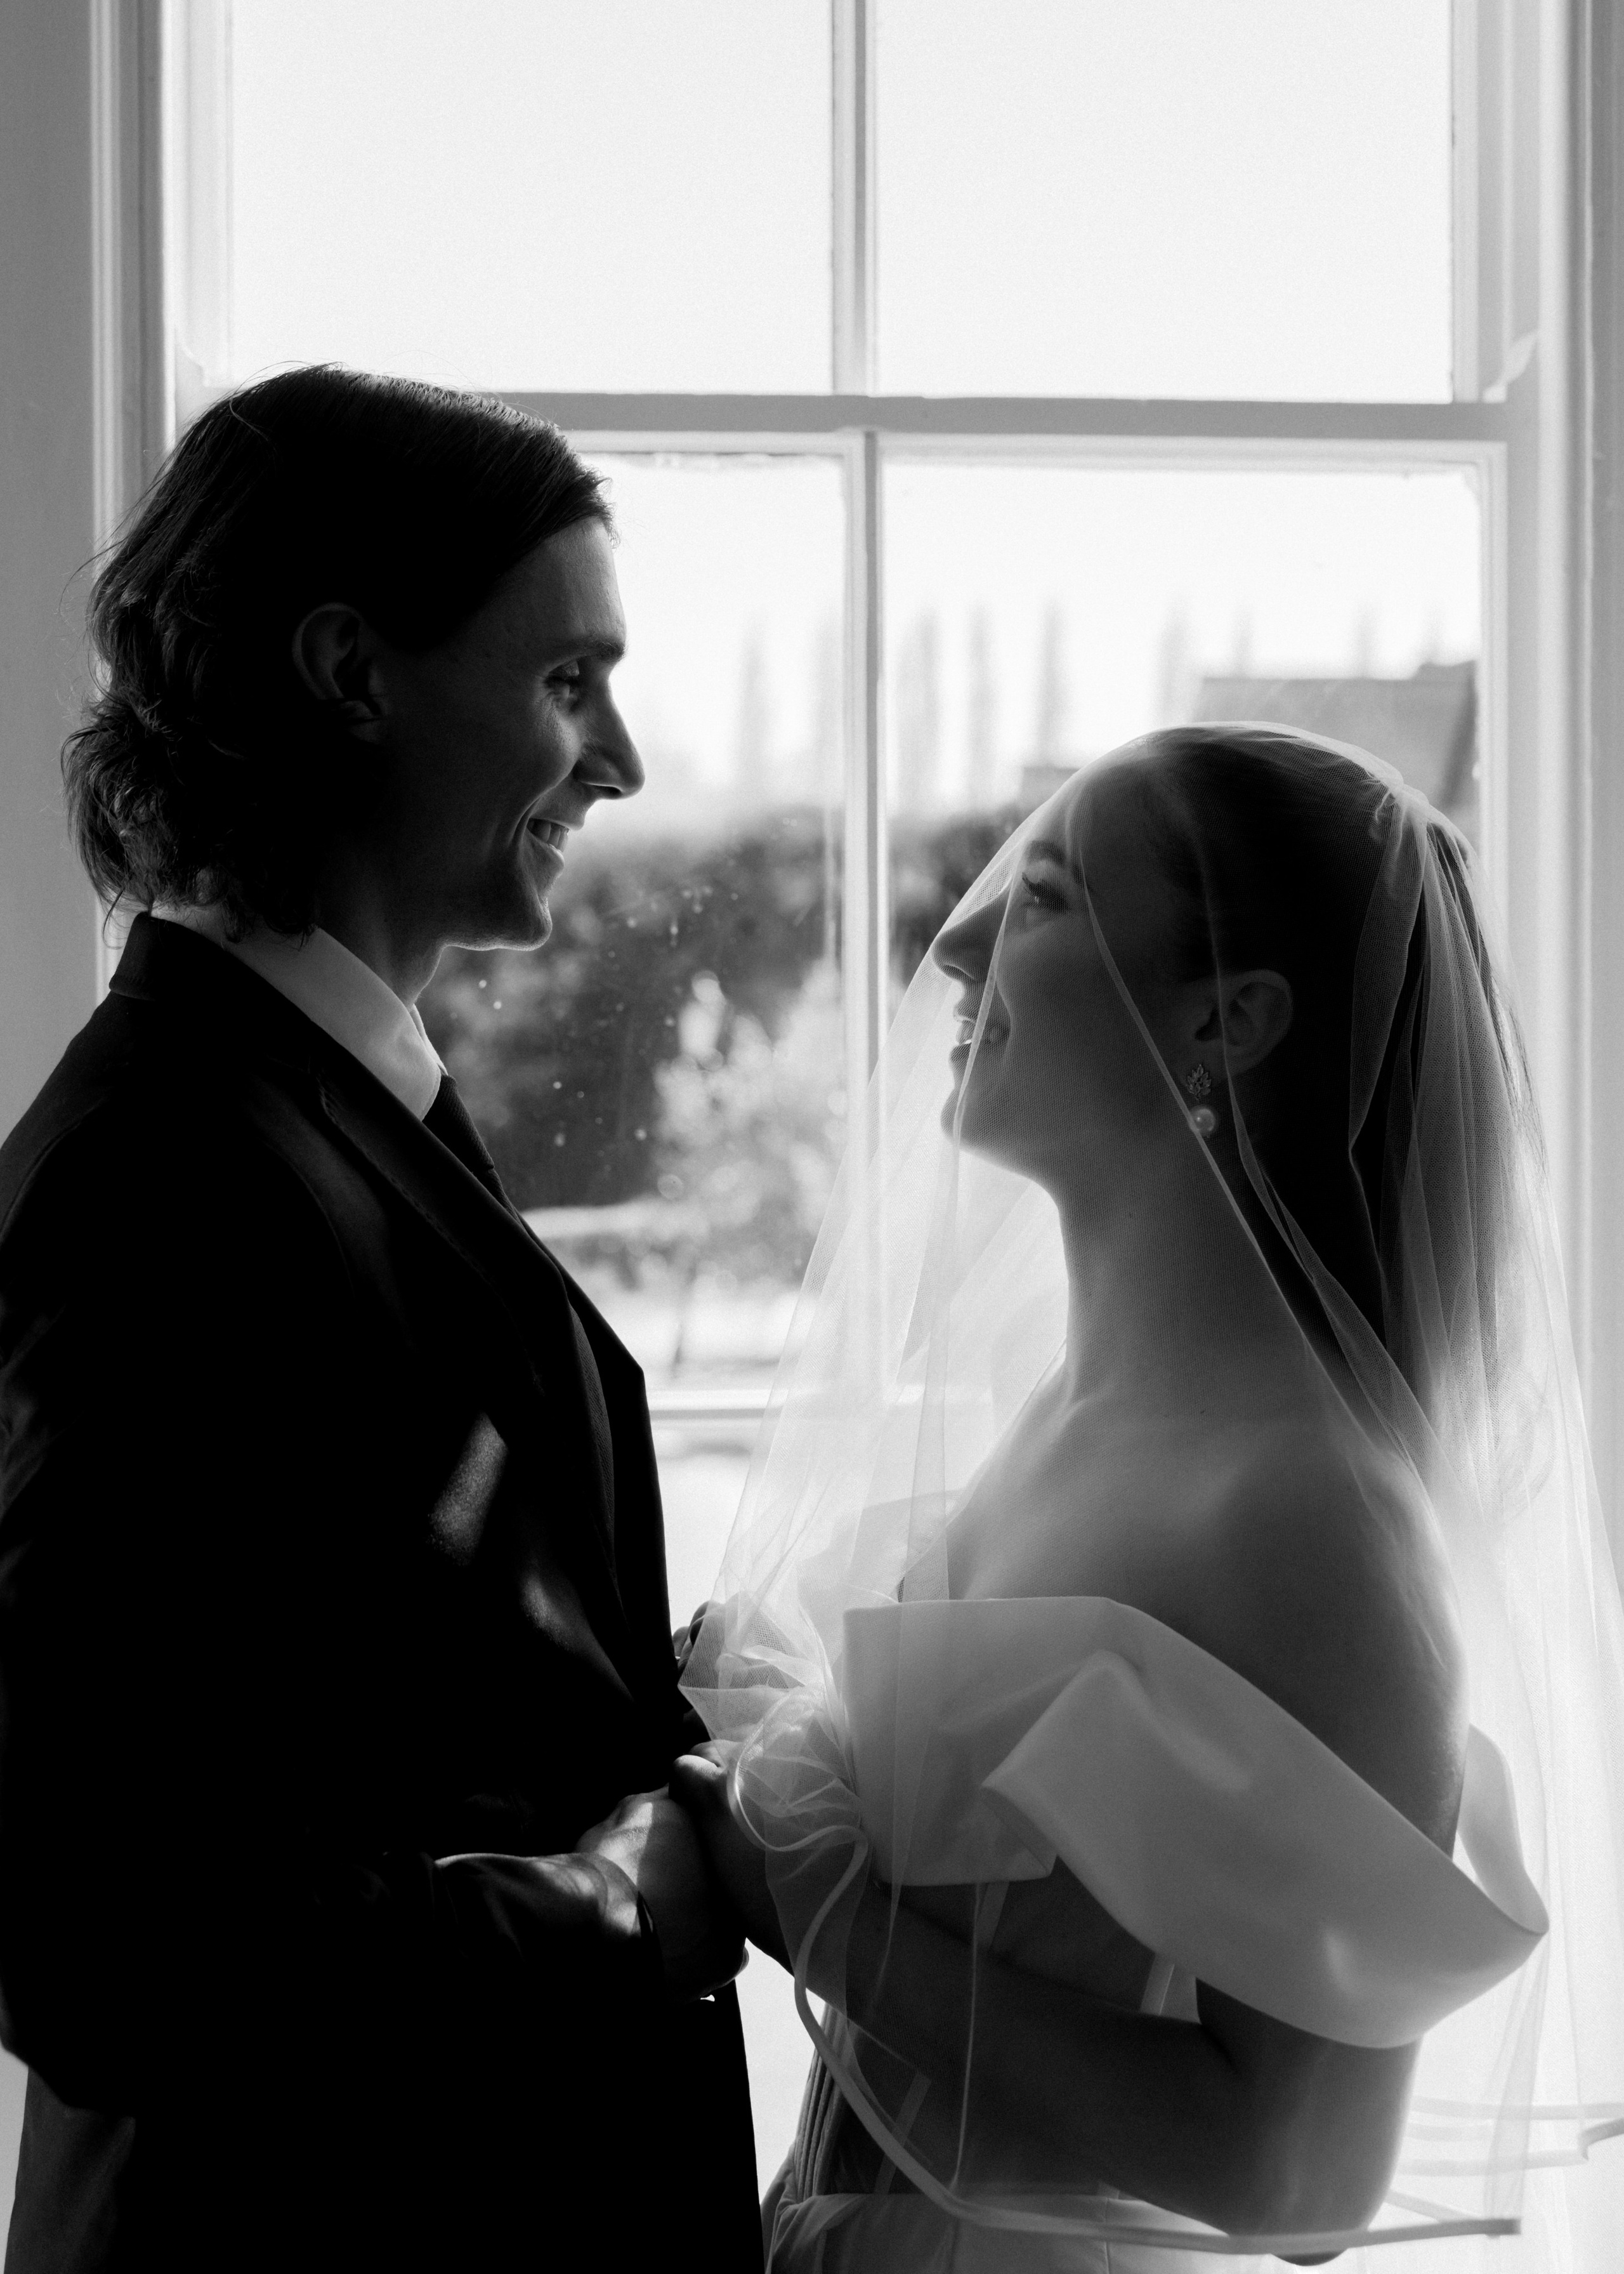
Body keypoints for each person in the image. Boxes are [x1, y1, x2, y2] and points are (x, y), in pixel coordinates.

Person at [676, 729, 1624, 2271]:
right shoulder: (1055, 1413)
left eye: (1041, 896)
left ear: (1226, 1022)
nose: (961, 936)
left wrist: (818, 1907)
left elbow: (1297, 2172)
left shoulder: (1303, 1513)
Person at [0, 366, 761, 2271]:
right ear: (351, 670)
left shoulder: (325, 1097)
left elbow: (343, 1684)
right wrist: (610, 1904)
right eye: (569, 682)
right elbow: (93, 1936)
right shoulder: (160, 1172)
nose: (624, 763)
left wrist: (680, 1688)